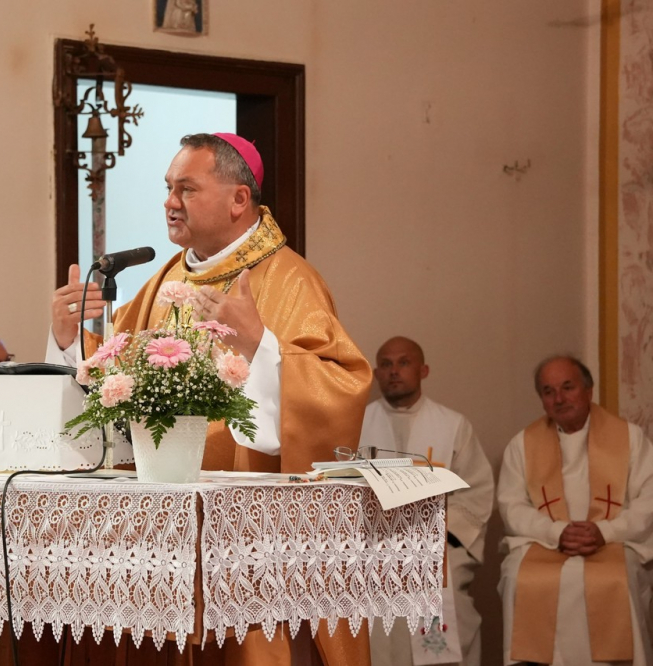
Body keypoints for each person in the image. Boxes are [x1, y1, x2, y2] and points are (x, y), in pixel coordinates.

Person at [46, 132, 373, 665]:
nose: (170, 202)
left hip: (251, 544)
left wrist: (261, 346)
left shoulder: (290, 279)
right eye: (168, 188)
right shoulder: (166, 279)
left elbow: (339, 387)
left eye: (187, 189)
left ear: (239, 199)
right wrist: (68, 340)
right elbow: (112, 371)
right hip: (160, 534)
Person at [497, 356, 653, 665]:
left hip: (613, 542)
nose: (559, 399)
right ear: (542, 399)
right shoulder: (523, 444)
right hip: (548, 542)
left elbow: (649, 499)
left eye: (568, 387)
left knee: (619, 578)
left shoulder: (630, 438)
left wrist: (604, 531)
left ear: (588, 390)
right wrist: (557, 532)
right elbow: (511, 506)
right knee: (518, 576)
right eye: (548, 391)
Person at [360, 336, 494, 666]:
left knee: (448, 591)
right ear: (376, 374)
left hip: (437, 543)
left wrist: (438, 534)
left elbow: (476, 490)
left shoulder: (452, 425)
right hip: (374, 542)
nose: (394, 371)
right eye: (386, 364)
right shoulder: (357, 424)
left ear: (423, 370)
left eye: (403, 363)